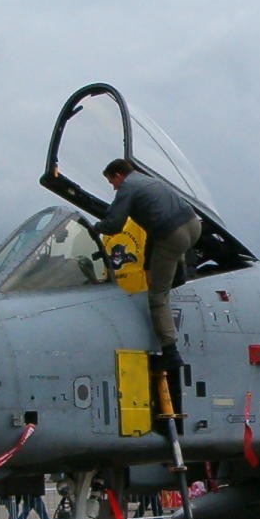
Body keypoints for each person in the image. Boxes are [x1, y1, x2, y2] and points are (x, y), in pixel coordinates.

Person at [90, 157, 203, 368]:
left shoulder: (127, 187)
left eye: (111, 182)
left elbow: (114, 224)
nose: (113, 188)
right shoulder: (149, 181)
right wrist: (147, 266)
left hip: (173, 235)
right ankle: (179, 275)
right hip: (193, 226)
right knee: (170, 249)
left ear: (117, 175)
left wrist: (96, 228)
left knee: (158, 296)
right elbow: (155, 226)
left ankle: (170, 352)